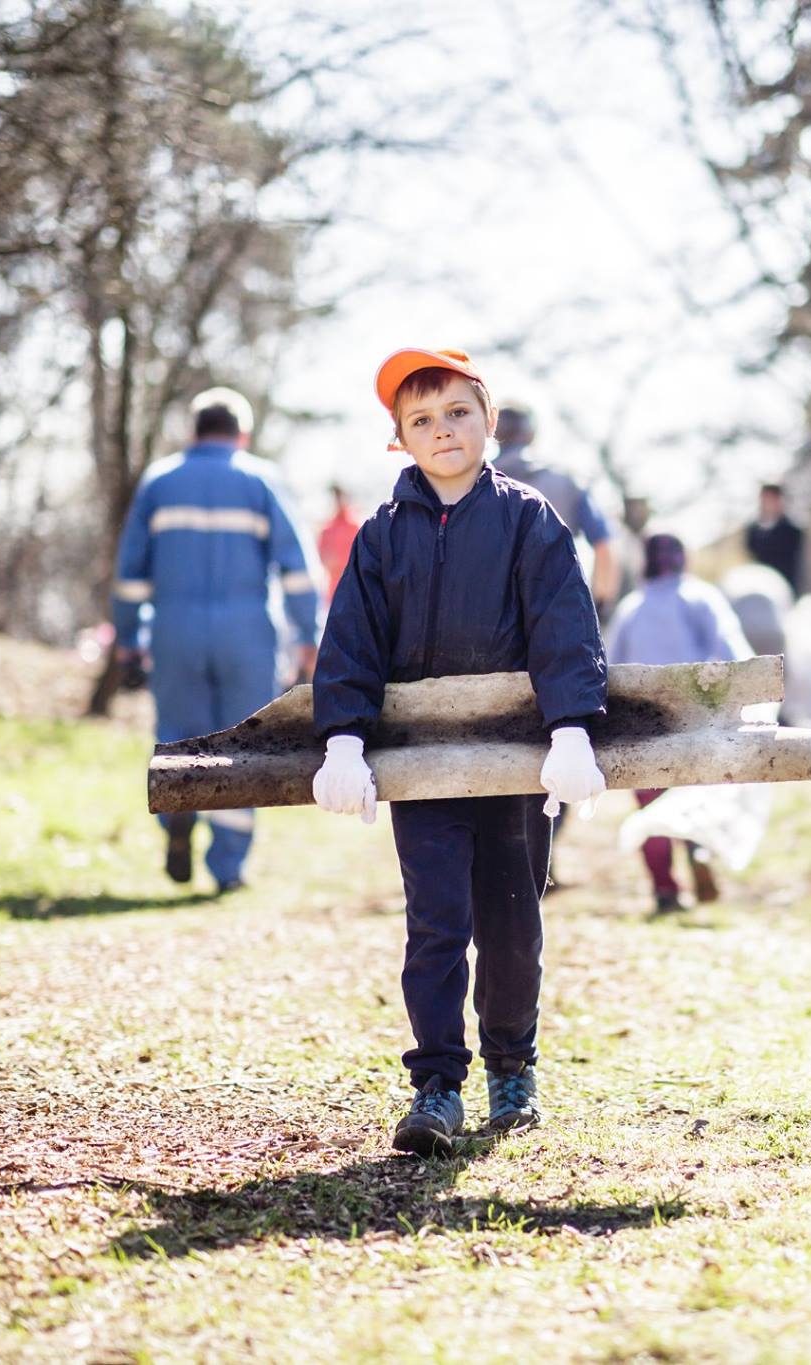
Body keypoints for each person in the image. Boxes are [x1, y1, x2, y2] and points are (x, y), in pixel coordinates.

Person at [309, 347, 609, 1157]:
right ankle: (437, 1083)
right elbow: (351, 643)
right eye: (422, 420)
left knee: (512, 922)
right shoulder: (382, 536)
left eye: (457, 414)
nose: (442, 431)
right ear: (399, 440)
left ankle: (513, 1068)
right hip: (425, 765)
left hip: (517, 765)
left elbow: (561, 624)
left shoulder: (528, 519)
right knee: (436, 922)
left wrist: (572, 725)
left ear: (489, 420)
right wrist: (343, 738)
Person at [111, 387, 319, 894]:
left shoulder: (160, 481)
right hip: (246, 631)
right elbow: (296, 568)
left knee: (179, 735)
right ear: (241, 434)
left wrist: (127, 635)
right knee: (242, 745)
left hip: (174, 629)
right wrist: (309, 634)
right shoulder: (260, 479)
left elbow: (130, 574)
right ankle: (228, 868)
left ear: (194, 431)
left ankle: (177, 819)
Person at [604, 533, 752, 912]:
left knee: (651, 806)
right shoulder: (701, 597)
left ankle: (665, 890)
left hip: (643, 727)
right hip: (695, 721)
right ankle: (698, 848)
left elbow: (608, 666)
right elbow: (733, 652)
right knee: (696, 792)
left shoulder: (631, 607)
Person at [491, 403, 618, 619]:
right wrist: (600, 603)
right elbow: (604, 545)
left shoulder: (475, 481)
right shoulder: (569, 480)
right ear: (531, 434)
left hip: (492, 606)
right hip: (557, 603)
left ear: (493, 431)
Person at [745, 483, 807, 595]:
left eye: (770, 499)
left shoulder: (792, 530)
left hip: (785, 589)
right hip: (761, 588)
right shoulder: (753, 530)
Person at [316, 483, 359, 603]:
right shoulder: (327, 530)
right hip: (334, 590)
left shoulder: (356, 526)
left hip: (354, 589)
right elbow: (322, 556)